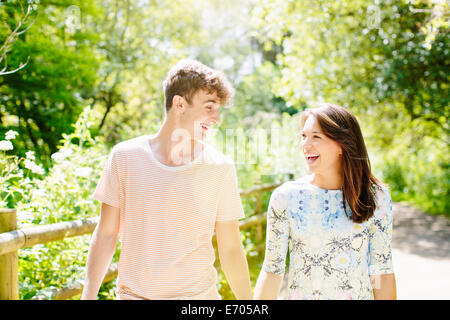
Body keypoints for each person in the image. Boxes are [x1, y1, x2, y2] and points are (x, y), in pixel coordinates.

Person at [81, 59, 252, 300]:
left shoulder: (219, 167)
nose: (216, 118)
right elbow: (106, 233)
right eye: (209, 107)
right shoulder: (125, 157)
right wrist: (87, 296)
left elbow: (231, 247)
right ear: (179, 103)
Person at [254, 103, 397, 300]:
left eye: (316, 137)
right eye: (303, 136)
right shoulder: (285, 198)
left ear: (342, 145)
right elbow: (272, 270)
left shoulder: (376, 196)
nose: (305, 144)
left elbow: (382, 270)